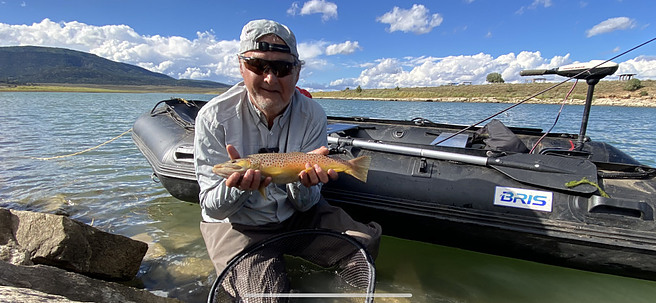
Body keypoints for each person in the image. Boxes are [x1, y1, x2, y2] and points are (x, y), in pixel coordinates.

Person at [194, 19, 381, 279]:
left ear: (297, 72)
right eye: (257, 65)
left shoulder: (313, 114)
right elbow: (212, 208)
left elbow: (306, 206)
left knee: (364, 243)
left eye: (282, 68)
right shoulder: (212, 117)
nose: (270, 78)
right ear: (241, 67)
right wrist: (235, 190)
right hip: (239, 226)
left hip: (295, 216)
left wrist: (303, 183)